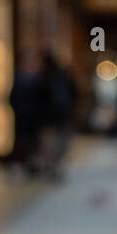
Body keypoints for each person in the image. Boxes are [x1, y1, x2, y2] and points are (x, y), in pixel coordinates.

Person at [37, 51, 77, 181]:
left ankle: (52, 166)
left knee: (50, 144)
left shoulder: (43, 77)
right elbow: (74, 93)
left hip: (50, 117)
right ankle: (54, 166)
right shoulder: (63, 76)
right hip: (62, 116)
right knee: (60, 143)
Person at [9, 50, 44, 174]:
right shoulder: (24, 77)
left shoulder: (35, 77)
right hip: (25, 115)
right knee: (23, 140)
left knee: (30, 140)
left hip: (30, 116)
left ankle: (30, 163)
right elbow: (12, 97)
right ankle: (24, 163)